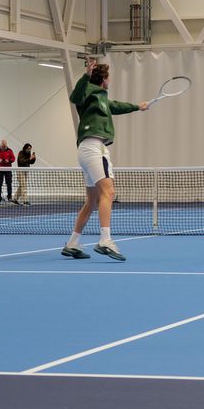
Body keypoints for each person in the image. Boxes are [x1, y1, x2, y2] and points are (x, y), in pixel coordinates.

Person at [62, 57, 149, 261]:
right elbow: (75, 96)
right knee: (108, 192)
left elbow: (116, 106)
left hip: (91, 149)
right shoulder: (88, 93)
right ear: (104, 79)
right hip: (93, 147)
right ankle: (105, 240)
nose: (110, 81)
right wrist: (86, 75)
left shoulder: (101, 98)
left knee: (92, 200)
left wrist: (138, 106)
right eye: (109, 78)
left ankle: (72, 243)